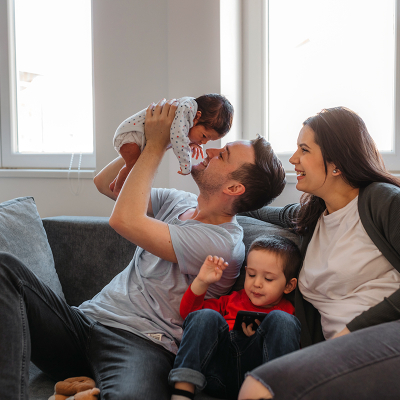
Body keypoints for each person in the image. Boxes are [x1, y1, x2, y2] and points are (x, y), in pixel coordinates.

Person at [0, 99, 286, 400]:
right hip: (85, 323)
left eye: (223, 154)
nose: (211, 150)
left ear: (233, 188)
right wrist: (156, 140)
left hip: (142, 342)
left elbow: (124, 220)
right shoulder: (180, 201)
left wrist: (157, 144)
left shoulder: (223, 243)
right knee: (6, 269)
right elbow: (106, 183)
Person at [237, 106, 400, 399]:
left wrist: (351, 332)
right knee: (259, 385)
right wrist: (219, 204)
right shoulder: (314, 216)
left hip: (385, 339)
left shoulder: (383, 201)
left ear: (336, 163)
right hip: (339, 352)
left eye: (304, 149)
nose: (293, 159)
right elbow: (268, 212)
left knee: (259, 389)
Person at [168, 236, 301, 400]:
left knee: (283, 321)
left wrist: (261, 338)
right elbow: (191, 316)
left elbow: (292, 350)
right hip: (217, 373)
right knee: (206, 316)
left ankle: (277, 393)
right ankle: (182, 391)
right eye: (251, 275)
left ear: (289, 286)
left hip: (259, 379)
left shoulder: (289, 313)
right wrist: (201, 282)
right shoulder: (231, 300)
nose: (257, 283)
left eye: (268, 279)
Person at [110, 94, 234, 195]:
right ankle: (118, 189)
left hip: (137, 138)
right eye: (204, 136)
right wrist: (186, 165)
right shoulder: (185, 110)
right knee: (133, 164)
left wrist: (194, 142)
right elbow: (178, 137)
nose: (204, 143)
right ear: (197, 117)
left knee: (134, 165)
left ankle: (115, 184)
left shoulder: (189, 111)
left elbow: (183, 135)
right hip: (129, 135)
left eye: (208, 140)